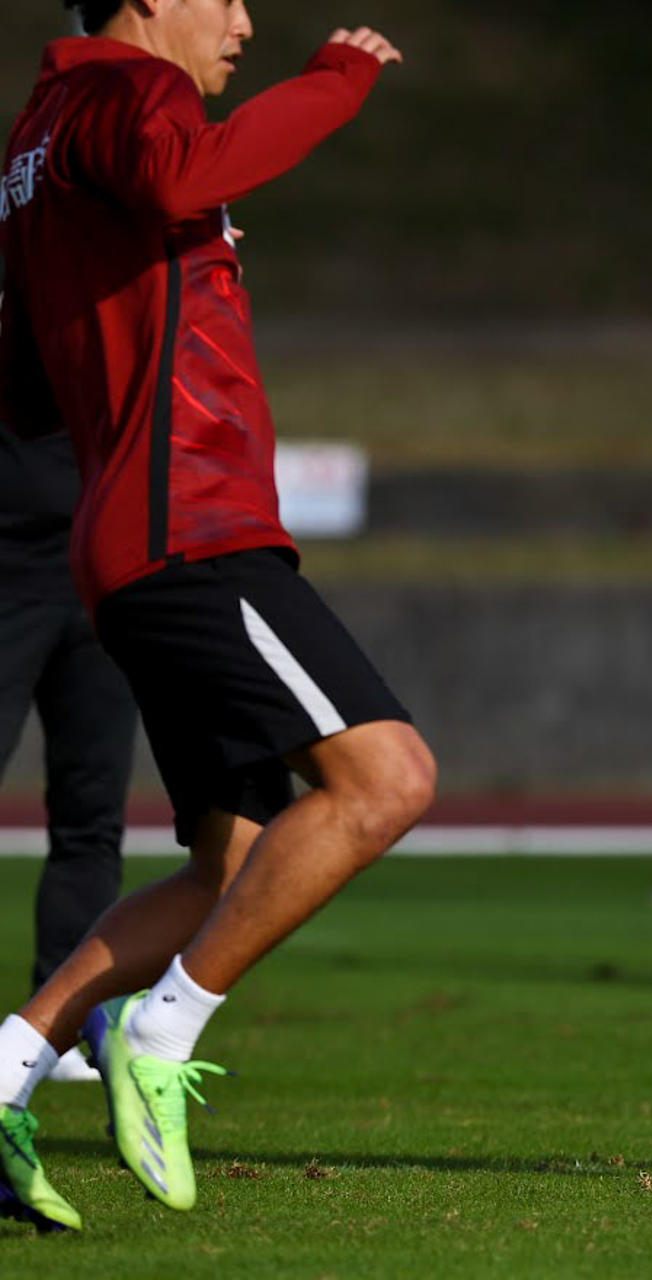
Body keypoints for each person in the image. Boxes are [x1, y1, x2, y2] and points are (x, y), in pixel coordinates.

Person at [0, 2, 434, 1233]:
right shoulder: (133, 95)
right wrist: (339, 78)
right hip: (190, 523)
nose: (244, 19)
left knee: (230, 868)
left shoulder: (38, 135)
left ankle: (6, 1068)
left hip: (125, 536)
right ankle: (161, 1027)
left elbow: (26, 388)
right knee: (387, 778)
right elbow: (197, 165)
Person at [0, 422, 140, 1088]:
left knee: (93, 816)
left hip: (101, 579)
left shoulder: (103, 335)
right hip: (8, 575)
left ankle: (56, 1032)